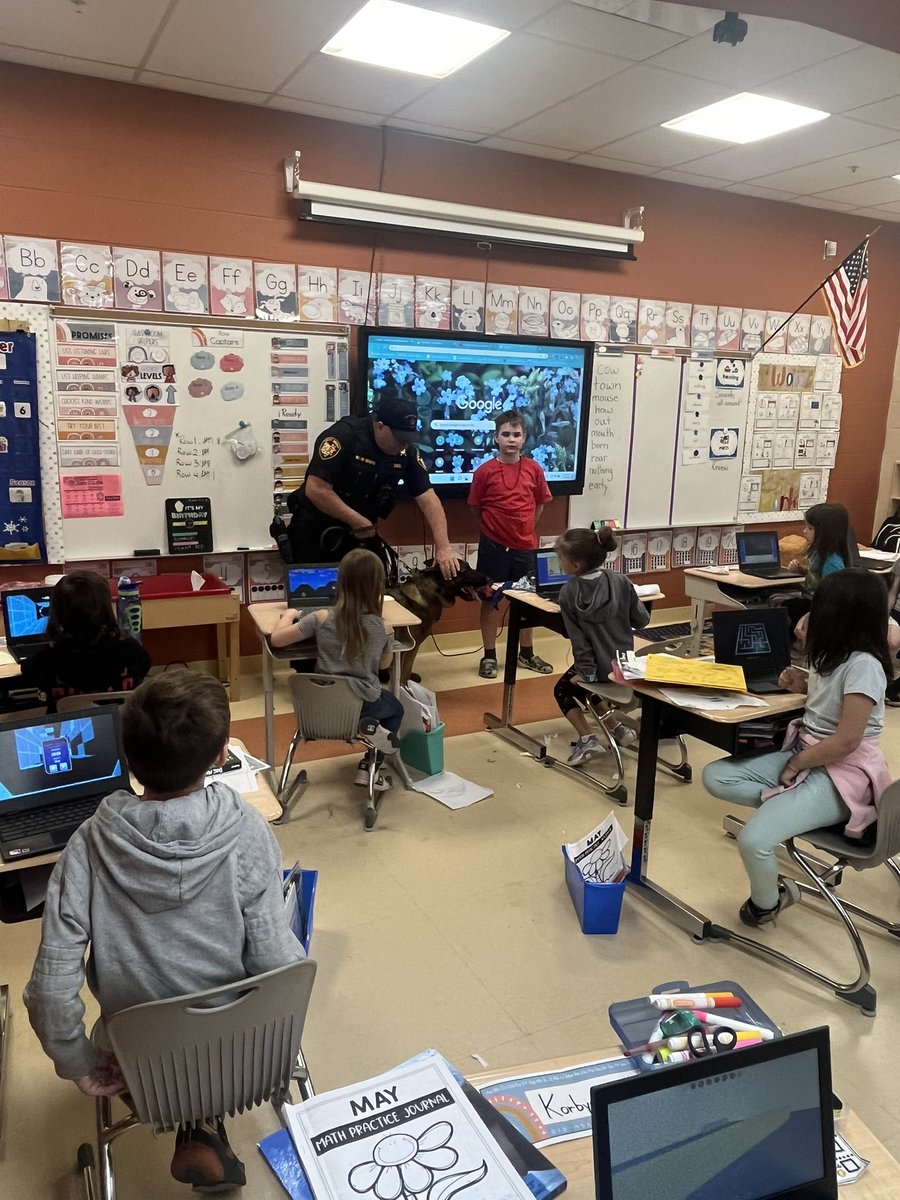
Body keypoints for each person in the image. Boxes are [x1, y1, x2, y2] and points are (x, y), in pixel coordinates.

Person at [23, 671, 303, 1191]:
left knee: (156, 1032)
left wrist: (78, 1062)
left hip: (141, 1061)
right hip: (241, 1049)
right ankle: (204, 1124)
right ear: (221, 754)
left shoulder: (86, 847)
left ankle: (194, 1123)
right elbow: (275, 962)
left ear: (128, 757)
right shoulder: (247, 830)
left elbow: (48, 991)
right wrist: (278, 1034)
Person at [703, 570, 892, 928]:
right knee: (716, 776)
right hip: (808, 754)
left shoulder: (864, 666)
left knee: (754, 840)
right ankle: (789, 807)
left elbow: (847, 740)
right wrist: (802, 681)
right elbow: (829, 700)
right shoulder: (831, 653)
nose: (809, 616)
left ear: (840, 615)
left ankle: (768, 903)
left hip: (841, 773)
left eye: (819, 607)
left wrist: (797, 764)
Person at [283, 392, 459, 580]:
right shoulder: (343, 436)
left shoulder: (406, 452)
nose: (402, 445)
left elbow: (429, 499)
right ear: (380, 426)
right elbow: (316, 489)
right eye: (399, 438)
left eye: (407, 439)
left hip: (361, 533)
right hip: (316, 531)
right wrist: (356, 520)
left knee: (373, 595)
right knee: (314, 599)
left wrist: (444, 548)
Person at [271, 548, 403, 793]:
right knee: (395, 708)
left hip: (319, 708)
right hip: (362, 702)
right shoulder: (384, 628)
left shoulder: (320, 617)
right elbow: (384, 667)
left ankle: (365, 725)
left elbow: (277, 640)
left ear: (339, 582)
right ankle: (369, 765)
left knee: (362, 700)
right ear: (378, 586)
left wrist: (289, 615)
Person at [553, 527, 650, 766]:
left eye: (561, 559)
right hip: (625, 668)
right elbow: (641, 620)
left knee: (564, 689)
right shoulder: (620, 581)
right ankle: (617, 729)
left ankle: (587, 739)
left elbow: (579, 642)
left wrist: (585, 674)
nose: (559, 563)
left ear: (575, 566)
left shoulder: (568, 593)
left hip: (598, 668)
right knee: (584, 687)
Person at [468, 410, 553, 678]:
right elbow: (476, 508)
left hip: (525, 547)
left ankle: (526, 652)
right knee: (490, 599)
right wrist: (496, 530)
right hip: (493, 547)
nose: (511, 439)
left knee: (528, 601)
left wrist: (524, 528)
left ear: (524, 438)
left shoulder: (534, 469)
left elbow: (539, 504)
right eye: (506, 434)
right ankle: (489, 655)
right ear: (496, 438)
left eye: (516, 434)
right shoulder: (484, 472)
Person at [20, 570, 150, 712]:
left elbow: (27, 671)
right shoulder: (131, 651)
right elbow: (144, 667)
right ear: (105, 609)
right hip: (120, 729)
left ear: (57, 613)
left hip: (68, 731)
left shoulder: (46, 660)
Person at [783, 502, 849, 630]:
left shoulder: (832, 564)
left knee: (784, 606)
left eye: (810, 528)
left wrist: (808, 617)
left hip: (819, 610)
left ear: (826, 531)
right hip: (810, 601)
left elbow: (831, 600)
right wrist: (802, 571)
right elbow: (818, 578)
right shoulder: (818, 553)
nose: (804, 531)